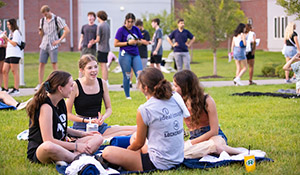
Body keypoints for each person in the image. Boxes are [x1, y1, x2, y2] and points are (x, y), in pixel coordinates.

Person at [102, 67, 190, 171]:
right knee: (134, 137)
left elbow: (139, 143)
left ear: (146, 88)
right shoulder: (175, 98)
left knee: (108, 152)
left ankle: (132, 158)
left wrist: (128, 151)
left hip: (158, 163)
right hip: (178, 157)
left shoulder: (145, 109)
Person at [27, 71, 103, 164]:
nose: (72, 89)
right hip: (42, 149)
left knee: (97, 137)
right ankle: (79, 159)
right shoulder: (46, 107)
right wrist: (76, 146)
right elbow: (48, 140)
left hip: (62, 144)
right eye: (71, 86)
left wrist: (83, 134)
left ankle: (71, 157)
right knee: (48, 146)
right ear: (60, 88)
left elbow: (62, 127)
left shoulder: (61, 102)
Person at [173, 70, 247, 158]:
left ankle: (244, 154)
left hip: (213, 136)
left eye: (176, 86)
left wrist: (191, 143)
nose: (173, 88)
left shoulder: (206, 100)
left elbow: (214, 131)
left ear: (185, 86)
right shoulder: (179, 101)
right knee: (178, 152)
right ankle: (209, 150)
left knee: (217, 147)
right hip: (195, 138)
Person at [66, 54, 136, 138]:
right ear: (82, 70)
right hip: (81, 127)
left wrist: (102, 118)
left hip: (99, 126)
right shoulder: (75, 86)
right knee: (99, 139)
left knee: (135, 129)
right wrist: (86, 120)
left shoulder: (102, 83)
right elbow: (68, 114)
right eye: (89, 68)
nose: (94, 70)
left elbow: (109, 109)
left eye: (96, 67)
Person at [35, 5, 70, 91]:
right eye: (44, 15)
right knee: (41, 63)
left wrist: (59, 40)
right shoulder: (42, 20)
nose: (45, 16)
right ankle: (40, 84)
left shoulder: (57, 19)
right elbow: (41, 34)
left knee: (54, 63)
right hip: (44, 44)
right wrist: (40, 32)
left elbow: (67, 30)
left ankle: (57, 82)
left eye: (46, 14)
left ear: (49, 11)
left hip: (53, 44)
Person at [114, 13, 143, 99]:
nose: (130, 23)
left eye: (132, 22)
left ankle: (145, 94)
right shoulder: (121, 30)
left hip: (135, 54)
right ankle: (127, 95)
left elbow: (141, 41)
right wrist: (128, 43)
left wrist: (137, 42)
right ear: (125, 21)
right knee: (127, 75)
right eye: (128, 21)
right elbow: (115, 44)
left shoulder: (136, 29)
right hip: (125, 54)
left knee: (140, 74)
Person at [1, 19, 22, 95]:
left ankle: (16, 88)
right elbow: (9, 44)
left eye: (8, 24)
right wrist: (5, 39)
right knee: (4, 70)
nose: (7, 26)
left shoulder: (16, 32)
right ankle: (5, 88)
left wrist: (7, 39)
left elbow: (14, 43)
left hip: (15, 54)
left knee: (14, 71)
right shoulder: (11, 33)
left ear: (12, 25)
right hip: (8, 54)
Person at [90, 11, 110, 85]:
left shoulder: (100, 26)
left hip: (101, 48)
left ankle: (104, 82)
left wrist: (93, 41)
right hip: (107, 47)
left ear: (99, 17)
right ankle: (106, 80)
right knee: (105, 65)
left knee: (102, 65)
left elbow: (98, 39)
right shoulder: (107, 25)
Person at [0, 21, 7, 91]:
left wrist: (2, 45)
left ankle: (0, 86)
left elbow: (7, 44)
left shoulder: (3, 34)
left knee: (1, 70)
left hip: (1, 52)